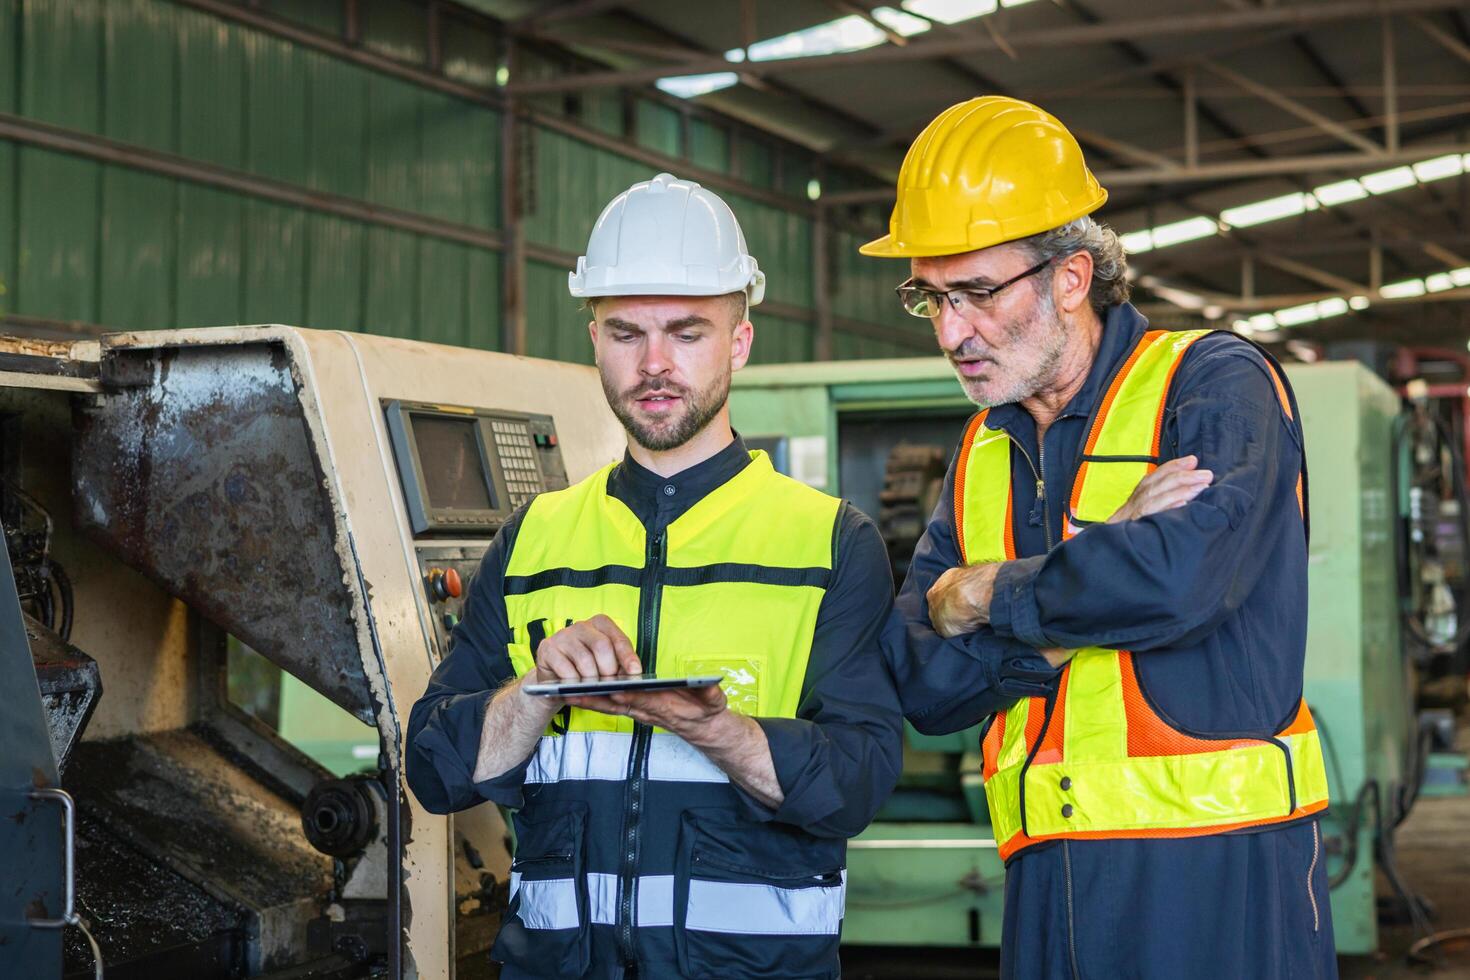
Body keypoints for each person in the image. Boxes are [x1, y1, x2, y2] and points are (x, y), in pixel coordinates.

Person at [867, 97, 1335, 979]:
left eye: (976, 292)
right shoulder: (981, 452)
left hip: (1220, 880)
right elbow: (923, 684)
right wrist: (1089, 574)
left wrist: (983, 595)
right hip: (1048, 887)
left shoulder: (1211, 383)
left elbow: (1177, 585)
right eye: (931, 296)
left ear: (1071, 278)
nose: (950, 332)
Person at [406, 172, 903, 979]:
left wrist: (713, 728)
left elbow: (857, 783)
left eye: (687, 332)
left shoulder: (830, 544)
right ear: (593, 339)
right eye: (627, 332)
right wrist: (532, 694)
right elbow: (431, 773)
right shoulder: (533, 539)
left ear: (739, 341)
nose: (656, 363)